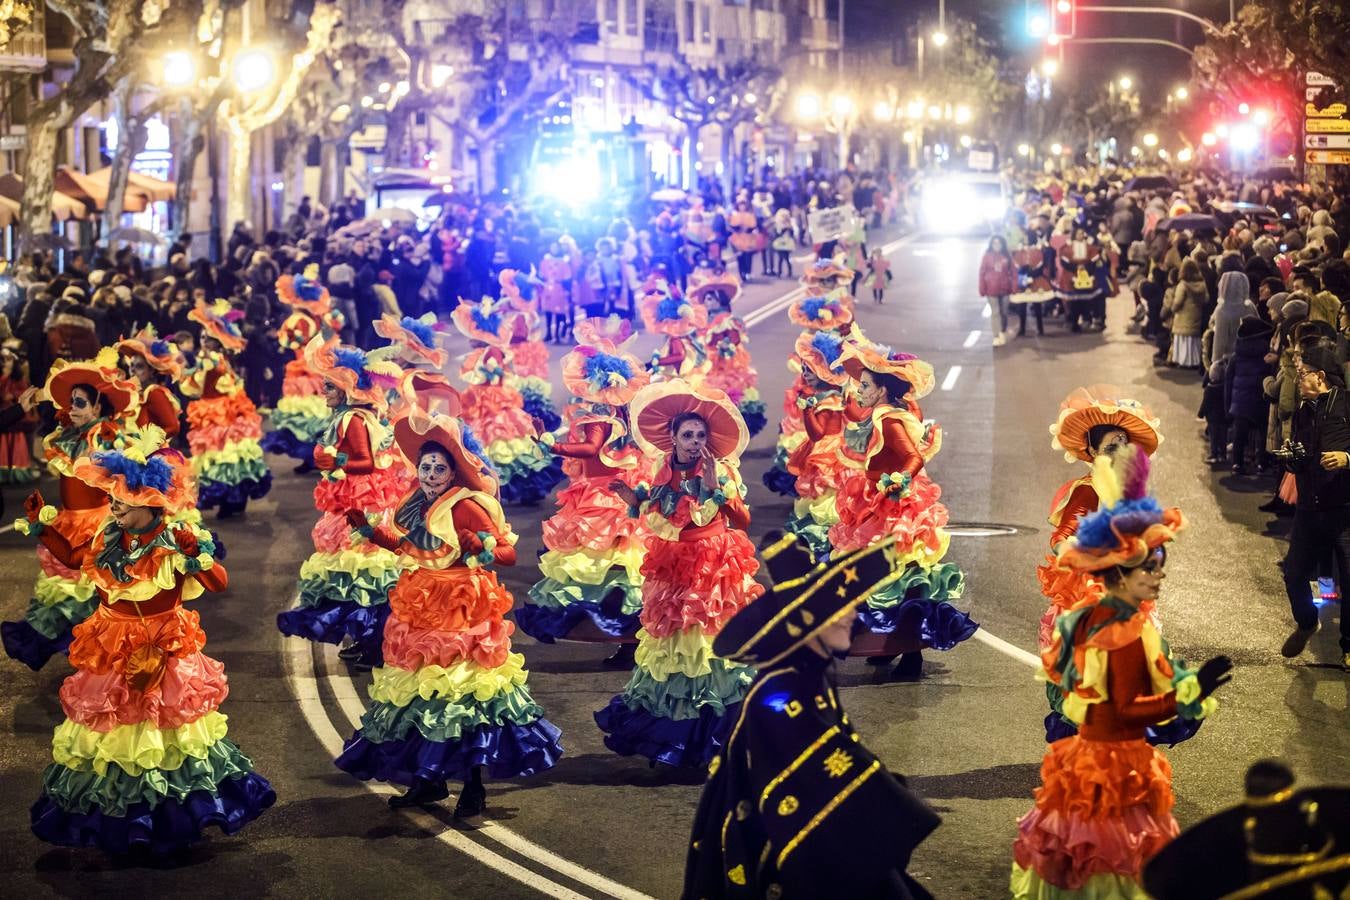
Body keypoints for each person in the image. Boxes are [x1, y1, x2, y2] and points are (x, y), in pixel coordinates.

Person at [27, 434, 275, 854]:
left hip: (164, 649)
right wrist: (41, 527)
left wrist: (198, 556)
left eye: (123, 498)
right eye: (113, 497)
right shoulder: (108, 538)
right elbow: (72, 558)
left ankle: (165, 821)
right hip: (111, 646)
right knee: (114, 735)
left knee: (165, 737)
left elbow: (218, 583)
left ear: (151, 502)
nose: (115, 505)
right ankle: (121, 821)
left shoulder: (175, 538)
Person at [1011, 447, 1233, 897]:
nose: (1159, 578)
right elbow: (1130, 712)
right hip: (1114, 768)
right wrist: (1188, 694)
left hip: (1085, 759)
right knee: (1114, 857)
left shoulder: (1090, 616)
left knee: (1081, 851)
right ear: (1119, 575)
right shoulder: (1124, 634)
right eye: (1149, 570)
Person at [683, 533, 942, 900]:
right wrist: (886, 800)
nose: (853, 614)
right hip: (789, 849)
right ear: (809, 625)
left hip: (819, 830)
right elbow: (809, 779)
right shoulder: (780, 692)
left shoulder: (810, 671)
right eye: (841, 609)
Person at [334, 412, 562, 815]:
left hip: (462, 605)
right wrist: (370, 532)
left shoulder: (467, 506)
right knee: (422, 692)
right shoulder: (413, 503)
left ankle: (474, 787)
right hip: (421, 601)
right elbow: (408, 547)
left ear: (453, 471)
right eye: (426, 466)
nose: (432, 473)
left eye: (440, 467)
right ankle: (430, 781)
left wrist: (481, 547)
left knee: (463, 694)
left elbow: (507, 554)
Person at [597, 380, 763, 767]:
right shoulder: (662, 467)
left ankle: (713, 739)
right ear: (672, 437)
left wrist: (714, 487)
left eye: (700, 435)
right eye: (687, 434)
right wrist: (632, 498)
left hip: (713, 567)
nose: (693, 441)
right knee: (674, 651)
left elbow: (743, 519)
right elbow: (658, 506)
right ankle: (673, 739)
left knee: (706, 650)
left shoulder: (720, 469)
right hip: (674, 565)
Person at [830, 343, 975, 679]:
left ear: (882, 390)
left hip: (895, 509)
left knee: (902, 579)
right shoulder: (879, 415)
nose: (859, 390)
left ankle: (912, 654)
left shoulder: (889, 421)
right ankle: (889, 644)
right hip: (875, 503)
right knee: (884, 580)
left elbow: (913, 458)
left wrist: (898, 481)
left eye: (865, 385)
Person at [518, 317, 652, 662]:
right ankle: (628, 640)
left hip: (603, 497)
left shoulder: (598, 414)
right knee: (616, 573)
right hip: (602, 491)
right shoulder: (611, 409)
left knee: (609, 570)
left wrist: (552, 445)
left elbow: (591, 449)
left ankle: (628, 638)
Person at [276, 335, 410, 671]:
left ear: (347, 390)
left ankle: (375, 644)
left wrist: (334, 462)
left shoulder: (353, 419)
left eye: (331, 387)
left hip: (361, 502)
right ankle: (370, 641)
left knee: (364, 575)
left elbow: (364, 462)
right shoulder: (351, 417)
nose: (325, 391)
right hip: (356, 497)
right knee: (358, 577)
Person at [1, 352, 138, 670]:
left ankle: (97, 653)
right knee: (62, 594)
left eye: (80, 403)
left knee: (92, 593)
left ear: (98, 407)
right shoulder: (68, 437)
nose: (72, 409)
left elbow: (126, 482)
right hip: (68, 522)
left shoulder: (106, 438)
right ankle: (76, 647)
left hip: (97, 524)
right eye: (71, 402)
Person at [1276, 344, 1350, 669]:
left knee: (1349, 578)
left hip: (1344, 510)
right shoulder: (1304, 410)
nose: (1298, 379)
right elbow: (1304, 453)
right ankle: (1307, 622)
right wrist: (1292, 460)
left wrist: (1347, 459)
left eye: (1302, 373)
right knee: (1293, 573)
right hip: (1309, 507)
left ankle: (1349, 646)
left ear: (1320, 376)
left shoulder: (1347, 404)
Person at [450, 297, 564, 505]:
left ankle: (508, 484)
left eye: (471, 335)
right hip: (483, 399)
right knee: (488, 440)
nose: (469, 339)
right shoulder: (485, 350)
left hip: (493, 399)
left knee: (501, 440)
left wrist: (481, 373)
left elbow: (493, 376)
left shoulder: (491, 351)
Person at [182, 300, 273, 518]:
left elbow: (192, 388)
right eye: (202, 337)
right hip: (221, 410)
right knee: (229, 457)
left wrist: (188, 370)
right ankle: (235, 499)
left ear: (217, 341)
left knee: (221, 457)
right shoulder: (221, 359)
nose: (203, 341)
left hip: (218, 413)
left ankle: (228, 499)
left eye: (207, 338)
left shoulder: (211, 360)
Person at [262, 265, 345, 472]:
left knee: (307, 414)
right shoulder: (319, 318)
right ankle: (315, 456)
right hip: (317, 366)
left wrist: (286, 339)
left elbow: (291, 343)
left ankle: (312, 455)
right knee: (317, 413)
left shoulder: (298, 320)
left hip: (304, 369)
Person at [979, 235, 1017, 345]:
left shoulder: (1007, 256)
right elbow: (982, 273)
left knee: (1004, 312)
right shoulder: (987, 256)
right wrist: (982, 288)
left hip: (1005, 288)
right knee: (995, 312)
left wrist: (1014, 287)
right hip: (991, 289)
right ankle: (996, 335)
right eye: (994, 243)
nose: (997, 246)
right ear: (991, 245)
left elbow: (1013, 272)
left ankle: (1003, 331)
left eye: (999, 243)